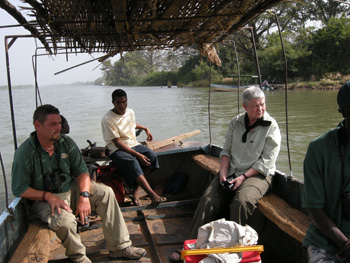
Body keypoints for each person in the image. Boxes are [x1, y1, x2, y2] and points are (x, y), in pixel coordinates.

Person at [11, 104, 146, 263]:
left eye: (59, 123)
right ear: (38, 125)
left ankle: (120, 247)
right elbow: (20, 188)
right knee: (66, 222)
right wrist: (47, 196)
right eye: (53, 124)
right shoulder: (25, 153)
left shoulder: (66, 143)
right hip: (43, 200)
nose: (58, 128)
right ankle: (79, 258)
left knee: (106, 193)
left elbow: (82, 171)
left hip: (71, 190)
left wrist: (84, 195)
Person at [169, 86, 281, 262]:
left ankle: (235, 250)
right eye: (256, 106)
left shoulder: (271, 126)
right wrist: (222, 174)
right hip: (231, 170)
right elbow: (226, 151)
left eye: (263, 104)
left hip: (258, 174)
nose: (260, 109)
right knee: (207, 200)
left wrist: (243, 178)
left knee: (241, 202)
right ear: (245, 107)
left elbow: (266, 160)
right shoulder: (236, 122)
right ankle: (192, 245)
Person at [303, 81, 350, 263]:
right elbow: (314, 209)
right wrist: (345, 243)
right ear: (346, 113)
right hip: (326, 241)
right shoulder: (319, 149)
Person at [101, 89, 166, 206]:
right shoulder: (107, 119)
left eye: (124, 102)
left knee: (152, 156)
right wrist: (138, 155)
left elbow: (131, 123)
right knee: (133, 162)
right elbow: (117, 142)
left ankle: (135, 192)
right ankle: (153, 195)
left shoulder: (130, 112)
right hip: (117, 149)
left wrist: (145, 128)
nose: (122, 105)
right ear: (113, 102)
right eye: (118, 103)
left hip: (133, 144)